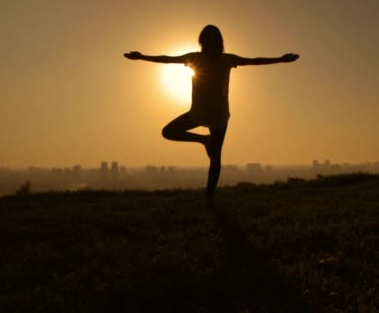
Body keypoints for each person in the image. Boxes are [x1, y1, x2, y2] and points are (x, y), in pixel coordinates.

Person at [124, 25, 299, 197]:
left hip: (203, 114)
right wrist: (281, 59)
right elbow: (256, 60)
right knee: (214, 156)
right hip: (214, 115)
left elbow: (167, 58)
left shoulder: (200, 58)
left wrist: (142, 57)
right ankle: (209, 189)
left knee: (171, 133)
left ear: (202, 42)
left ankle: (205, 147)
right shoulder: (221, 59)